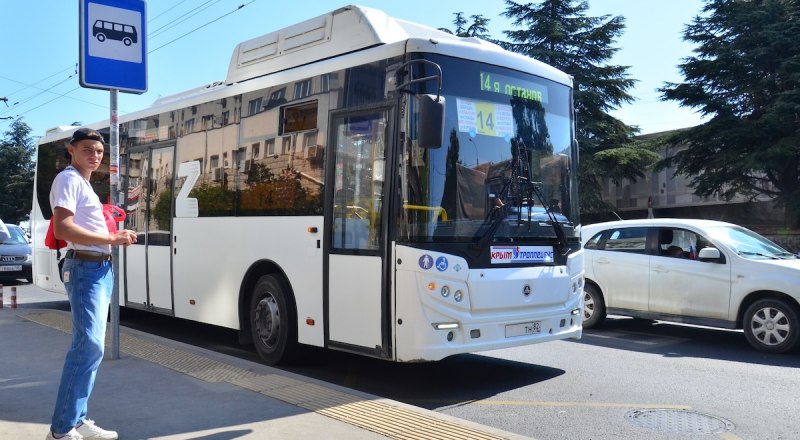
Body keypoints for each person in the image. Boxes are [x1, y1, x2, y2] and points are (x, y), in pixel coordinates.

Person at [46, 128, 137, 440]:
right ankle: (61, 430)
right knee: (88, 347)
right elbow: (63, 227)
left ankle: (77, 420)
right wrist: (112, 237)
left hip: (98, 269)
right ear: (71, 150)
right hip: (85, 267)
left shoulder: (83, 183)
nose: (94, 156)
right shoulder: (69, 179)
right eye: (87, 149)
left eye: (99, 152)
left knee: (91, 350)